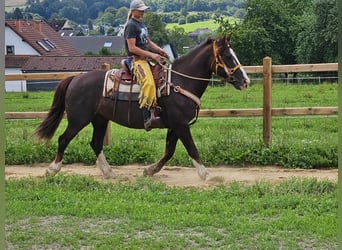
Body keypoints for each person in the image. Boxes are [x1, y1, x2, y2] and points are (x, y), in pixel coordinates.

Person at [124, 0, 168, 131]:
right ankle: (146, 117)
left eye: (143, 9)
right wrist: (152, 55)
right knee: (148, 83)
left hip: (145, 59)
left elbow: (147, 42)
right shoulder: (131, 25)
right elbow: (132, 48)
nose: (143, 12)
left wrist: (159, 50)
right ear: (133, 11)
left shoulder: (141, 23)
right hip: (136, 61)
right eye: (140, 10)